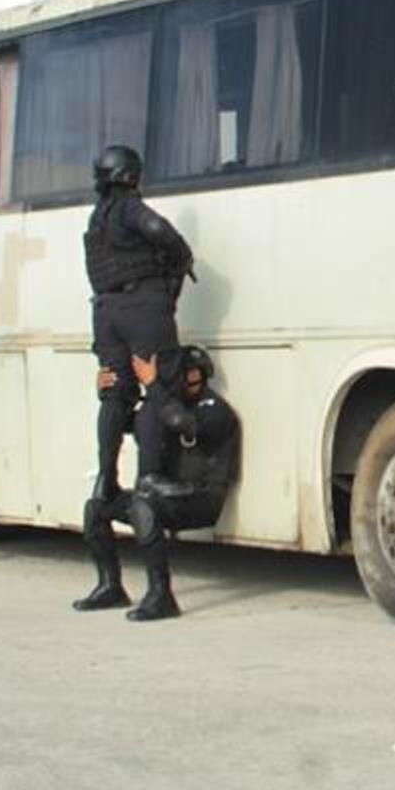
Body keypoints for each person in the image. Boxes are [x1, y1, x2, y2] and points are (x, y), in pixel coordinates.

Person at [73, 347, 241, 621]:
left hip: (200, 498)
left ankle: (161, 595)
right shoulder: (162, 407)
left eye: (191, 373)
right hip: (165, 495)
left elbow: (183, 423)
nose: (187, 379)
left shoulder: (214, 409)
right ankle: (110, 585)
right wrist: (107, 394)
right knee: (97, 507)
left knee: (144, 505)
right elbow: (125, 423)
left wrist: (153, 386)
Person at [84, 145, 195, 515]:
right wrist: (182, 255)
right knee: (159, 385)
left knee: (114, 392)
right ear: (130, 176)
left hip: (105, 311)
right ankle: (149, 475)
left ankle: (105, 478)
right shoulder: (128, 207)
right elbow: (157, 228)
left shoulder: (96, 219)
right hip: (141, 308)